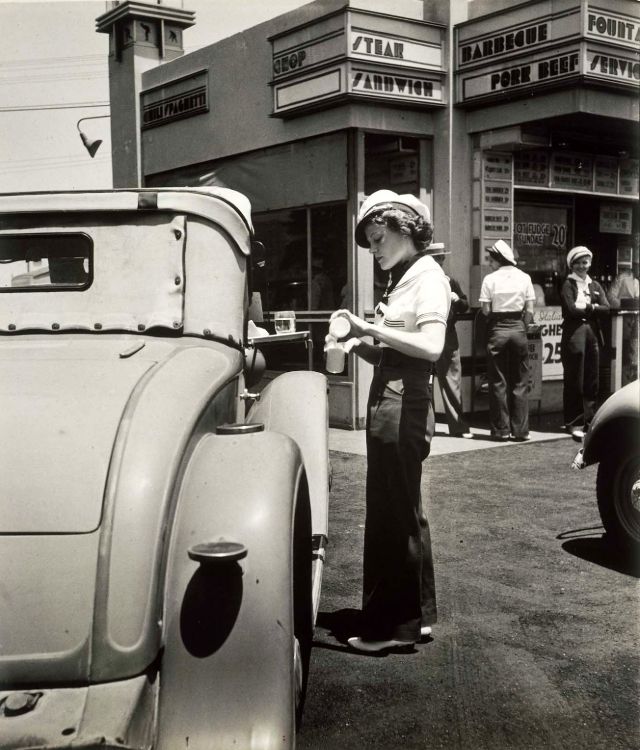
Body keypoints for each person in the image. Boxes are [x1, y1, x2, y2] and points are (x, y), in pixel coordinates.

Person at [327, 189, 450, 653]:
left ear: (404, 229)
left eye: (378, 238)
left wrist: (367, 328)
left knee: (389, 513)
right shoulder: (407, 278)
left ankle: (387, 630)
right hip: (397, 394)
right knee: (404, 510)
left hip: (403, 402)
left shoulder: (427, 277)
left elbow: (432, 347)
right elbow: (398, 348)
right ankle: (414, 617)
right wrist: (363, 345)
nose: (374, 248)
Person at [479, 239, 535, 442]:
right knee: (520, 380)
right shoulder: (525, 278)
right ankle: (520, 431)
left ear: (497, 259)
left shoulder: (489, 280)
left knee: (498, 381)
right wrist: (522, 327)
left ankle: (501, 430)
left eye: (491, 259)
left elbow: (485, 310)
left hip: (497, 330)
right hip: (518, 329)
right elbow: (529, 310)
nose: (490, 263)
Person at [560, 246, 610, 441]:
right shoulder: (568, 284)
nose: (582, 266)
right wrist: (594, 307)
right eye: (578, 262)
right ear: (572, 264)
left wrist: (588, 307)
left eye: (585, 262)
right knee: (576, 377)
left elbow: (607, 307)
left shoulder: (595, 285)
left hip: (592, 333)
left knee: (592, 377)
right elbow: (571, 309)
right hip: (574, 333)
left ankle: (589, 421)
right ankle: (574, 422)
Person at [430, 243, 473, 438]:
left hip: (447, 333)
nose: (438, 262)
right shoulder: (420, 282)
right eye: (434, 258)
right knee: (422, 381)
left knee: (452, 379)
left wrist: (457, 299)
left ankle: (458, 427)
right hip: (425, 332)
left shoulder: (450, 281)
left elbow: (465, 305)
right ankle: (423, 426)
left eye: (440, 258)